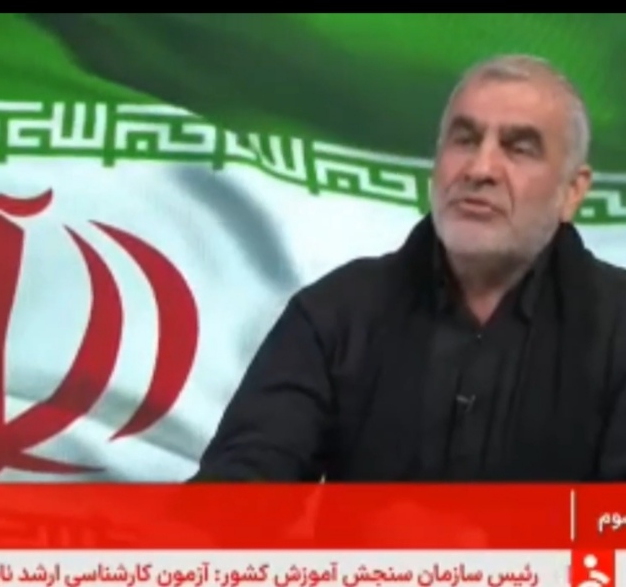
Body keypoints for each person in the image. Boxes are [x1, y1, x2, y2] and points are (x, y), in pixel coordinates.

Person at [190, 54, 626, 483]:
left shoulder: (616, 327)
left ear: (572, 191)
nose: (480, 169)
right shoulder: (338, 313)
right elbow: (241, 481)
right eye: (465, 140)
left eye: (519, 149)